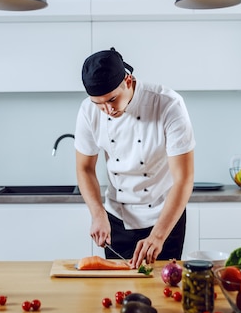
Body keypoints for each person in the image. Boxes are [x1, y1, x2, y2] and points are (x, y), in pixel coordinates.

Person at [74, 47, 195, 269]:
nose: (106, 110)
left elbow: (183, 178)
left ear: (128, 81)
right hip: (118, 218)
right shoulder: (88, 111)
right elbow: (85, 168)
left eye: (111, 99)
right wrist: (97, 213)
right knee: (119, 290)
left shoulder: (168, 105)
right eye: (98, 103)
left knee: (162, 288)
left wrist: (158, 236)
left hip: (164, 216)